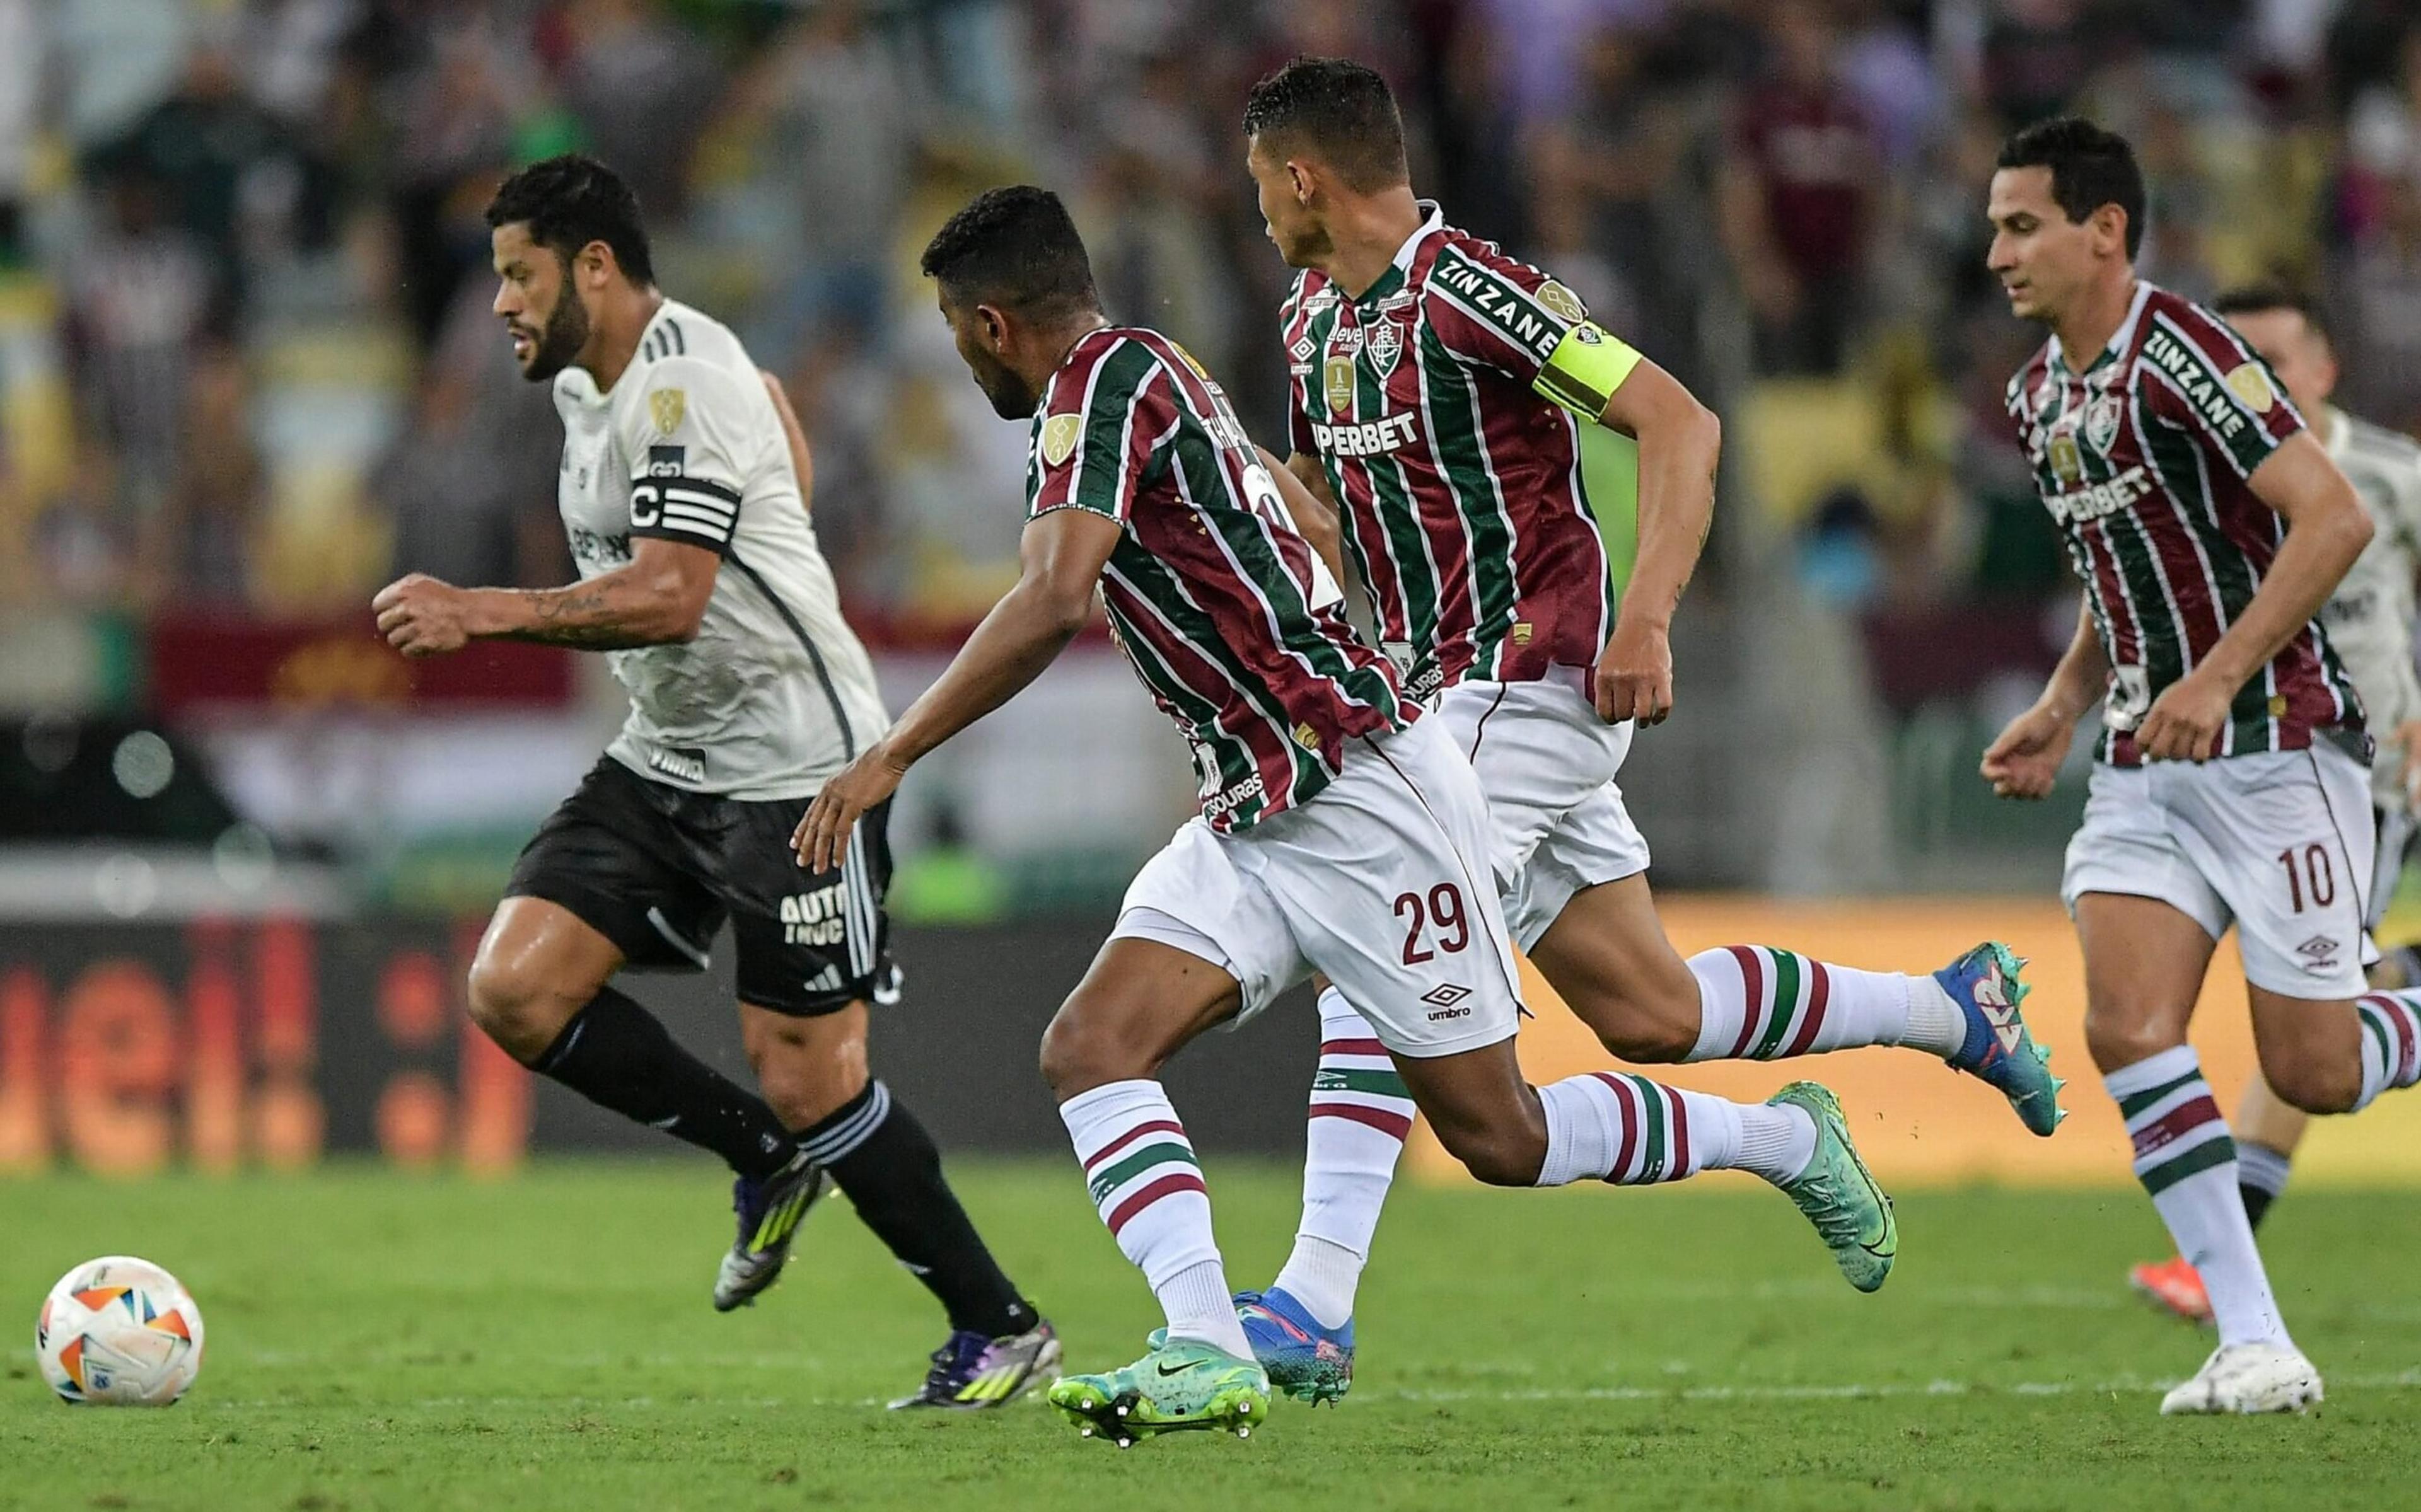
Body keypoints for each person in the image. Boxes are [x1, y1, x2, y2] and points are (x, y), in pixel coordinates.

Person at [795, 185, 1901, 1447]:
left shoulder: (1104, 388)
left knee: (1502, 1132)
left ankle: (1779, 1142)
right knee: (1092, 1045)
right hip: (1256, 802)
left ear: (992, 323)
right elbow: (1281, 511)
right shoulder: (1161, 375)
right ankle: (1208, 1345)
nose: (952, 349)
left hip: (1367, 790)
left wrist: (891, 754)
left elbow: (1055, 598)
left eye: (951, 327)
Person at [1229, 55, 2062, 1404]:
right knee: (1652, 1011)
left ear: (1306, 175)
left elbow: (1680, 422)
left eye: (1262, 178)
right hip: (1432, 700)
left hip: (1531, 680)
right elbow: (1349, 523)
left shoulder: (1472, 290)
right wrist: (1282, 517)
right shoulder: (1311, 323)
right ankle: (1929, 1025)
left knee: (1380, 932)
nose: (1256, 204)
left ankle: (1316, 1304)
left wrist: (1651, 617)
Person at [369, 154, 1059, 1411]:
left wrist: (480, 610)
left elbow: (673, 593)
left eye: (518, 276)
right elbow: (778, 423)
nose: (500, 305)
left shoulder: (679, 380)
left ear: (594, 268)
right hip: (668, 758)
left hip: (803, 774)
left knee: (813, 1075)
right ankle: (761, 1160)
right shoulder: (602, 384)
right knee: (514, 988)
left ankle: (999, 1326)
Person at [1979, 118, 2421, 1414]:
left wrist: (2220, 673)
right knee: (2125, 1025)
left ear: (2102, 230)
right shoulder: (2038, 395)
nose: (1996, 249)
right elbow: (2119, 576)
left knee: (2315, 1075)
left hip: (2281, 745)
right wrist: (2066, 704)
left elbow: (2330, 517)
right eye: (1997, 224)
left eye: (2022, 224)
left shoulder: (2186, 353)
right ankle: (2253, 1341)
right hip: (2143, 762)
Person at [2125, 284, 2421, 1324]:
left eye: (2278, 360)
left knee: (2310, 1014)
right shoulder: (2200, 485)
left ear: (2326, 370)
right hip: (2246, 773)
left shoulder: (2390, 476)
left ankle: (2218, 1259)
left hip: (2370, 774)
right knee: (2318, 999)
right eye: (2237, 362)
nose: (2257, 382)